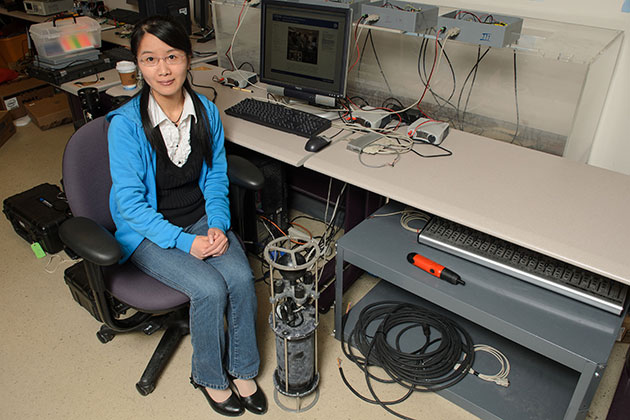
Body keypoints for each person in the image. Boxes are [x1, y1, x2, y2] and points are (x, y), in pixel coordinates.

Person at [106, 15, 267, 417]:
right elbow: (131, 207)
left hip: (199, 219)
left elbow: (214, 176)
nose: (162, 70)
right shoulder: (125, 126)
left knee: (242, 277)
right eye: (149, 59)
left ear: (189, 59)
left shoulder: (207, 112)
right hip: (147, 232)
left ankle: (243, 369)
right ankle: (210, 377)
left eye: (172, 57)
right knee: (209, 288)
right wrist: (185, 242)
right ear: (137, 65)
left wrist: (216, 223)